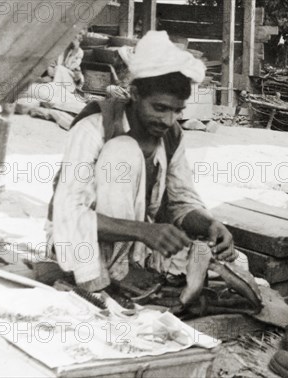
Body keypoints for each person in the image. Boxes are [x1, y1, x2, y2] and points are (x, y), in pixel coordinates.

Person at [46, 31, 235, 305]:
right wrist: (142, 231)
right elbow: (68, 217)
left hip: (137, 249)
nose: (169, 120)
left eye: (177, 111)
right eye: (160, 108)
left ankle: (130, 270)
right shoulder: (94, 128)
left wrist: (211, 225)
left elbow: (181, 202)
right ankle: (108, 279)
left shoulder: (172, 135)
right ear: (134, 94)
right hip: (80, 245)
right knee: (124, 151)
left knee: (231, 263)